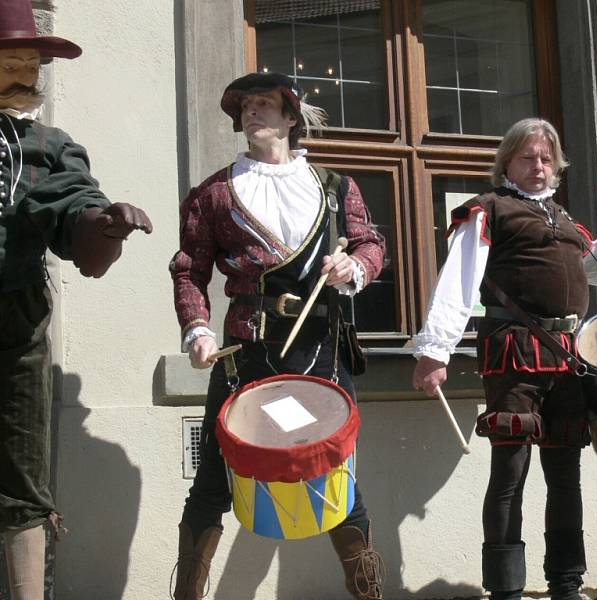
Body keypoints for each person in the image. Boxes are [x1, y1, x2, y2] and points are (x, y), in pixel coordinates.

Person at [168, 72, 387, 600]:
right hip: (246, 352)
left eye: (264, 105)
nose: (251, 113)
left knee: (336, 476)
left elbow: (372, 245)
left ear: (291, 117)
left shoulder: (335, 187)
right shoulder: (214, 193)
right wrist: (196, 328)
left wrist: (354, 265)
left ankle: (368, 595)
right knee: (213, 482)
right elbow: (188, 270)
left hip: (321, 351)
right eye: (245, 107)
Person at [411, 118, 597, 600]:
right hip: (514, 352)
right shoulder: (489, 210)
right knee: (509, 473)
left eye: (547, 158)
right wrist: (434, 351)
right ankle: (506, 591)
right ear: (507, 161)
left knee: (565, 477)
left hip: (569, 359)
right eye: (528, 156)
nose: (539, 165)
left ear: (557, 167)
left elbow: (586, 274)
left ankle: (566, 584)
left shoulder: (566, 221)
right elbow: (459, 280)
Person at [0, 1, 153, 598]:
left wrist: (101, 225)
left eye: (30, 62)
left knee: (22, 477)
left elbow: (72, 208)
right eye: (11, 60)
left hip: (16, 324)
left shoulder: (47, 146)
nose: (25, 73)